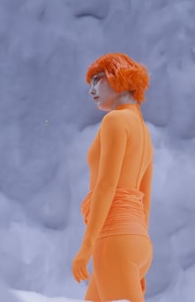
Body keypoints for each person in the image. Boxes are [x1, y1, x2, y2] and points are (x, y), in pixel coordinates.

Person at [72, 53, 153, 301]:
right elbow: (144, 200)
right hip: (138, 243)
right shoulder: (144, 133)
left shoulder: (115, 121)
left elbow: (106, 186)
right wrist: (137, 262)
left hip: (114, 240)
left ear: (118, 76)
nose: (91, 90)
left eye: (97, 80)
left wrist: (87, 247)